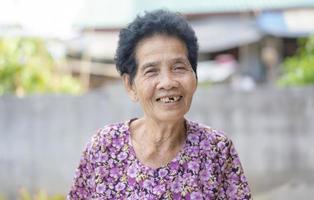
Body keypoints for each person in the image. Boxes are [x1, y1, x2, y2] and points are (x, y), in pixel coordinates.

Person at [68, 9, 251, 199]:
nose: (168, 82)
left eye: (179, 67)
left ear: (194, 77)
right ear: (130, 85)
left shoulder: (217, 151)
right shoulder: (104, 148)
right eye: (151, 71)